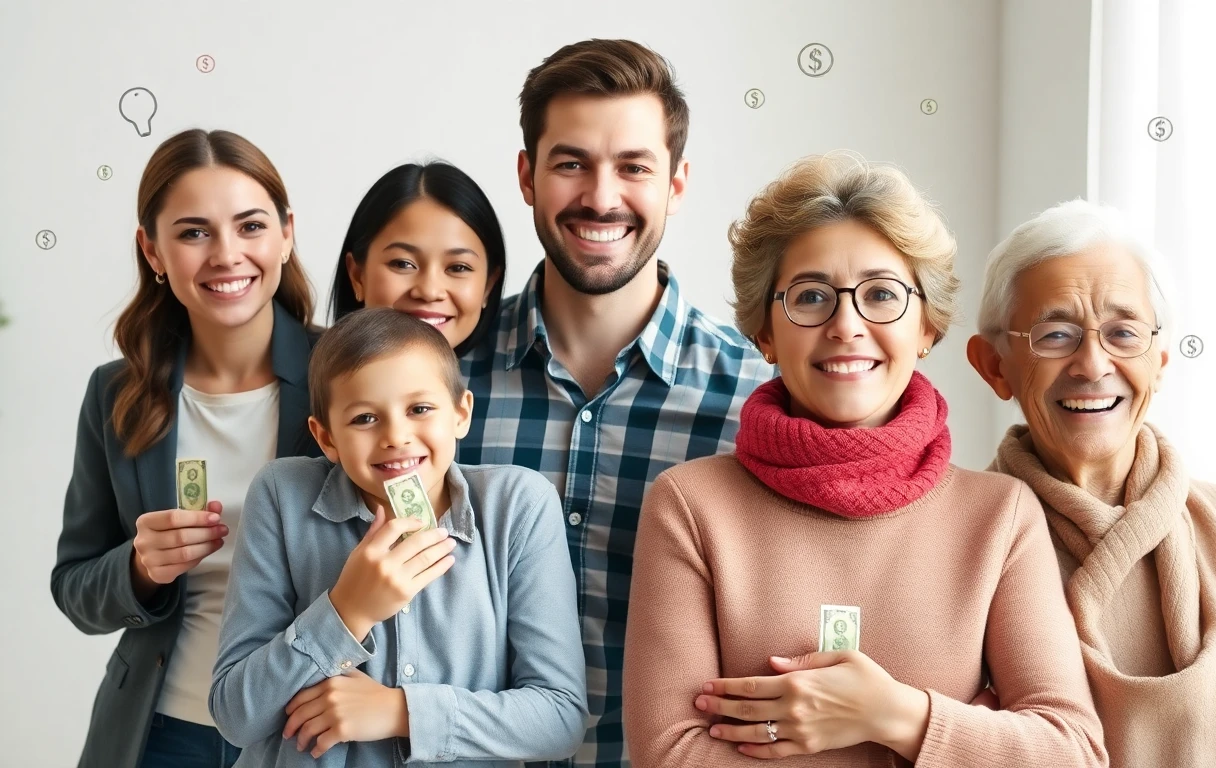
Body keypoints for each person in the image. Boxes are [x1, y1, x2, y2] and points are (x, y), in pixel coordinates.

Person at [624, 153, 1106, 767]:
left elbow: (1071, 753)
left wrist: (893, 715)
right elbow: (668, 755)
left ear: (927, 327)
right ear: (764, 333)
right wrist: (967, 737)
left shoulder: (1000, 516)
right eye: (811, 296)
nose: (846, 324)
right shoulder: (691, 507)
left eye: (881, 294)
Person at [455, 39, 775, 767]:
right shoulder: (437, 386)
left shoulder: (753, 400)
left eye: (633, 167)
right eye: (571, 164)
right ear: (526, 176)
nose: (602, 197)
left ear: (676, 184)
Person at [966, 199, 1216, 767]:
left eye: (1122, 332)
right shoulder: (967, 540)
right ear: (994, 365)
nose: (1092, 363)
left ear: (1158, 358)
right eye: (1055, 335)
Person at [50, 128, 322, 768]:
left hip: (305, 733)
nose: (227, 255)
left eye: (250, 226)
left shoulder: (347, 377)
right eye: (194, 232)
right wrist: (140, 568)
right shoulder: (115, 393)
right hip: (162, 733)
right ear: (153, 249)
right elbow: (74, 586)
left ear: (286, 233)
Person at [209, 308, 587, 765]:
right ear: (326, 438)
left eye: (420, 409)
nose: (396, 436)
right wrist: (347, 611)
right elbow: (235, 716)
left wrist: (400, 712)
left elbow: (560, 719)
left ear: (460, 413)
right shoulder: (281, 495)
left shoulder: (519, 506)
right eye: (364, 418)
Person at [328, 160, 506, 354]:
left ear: (488, 286)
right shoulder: (309, 381)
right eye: (403, 264)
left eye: (458, 268)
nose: (429, 291)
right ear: (357, 276)